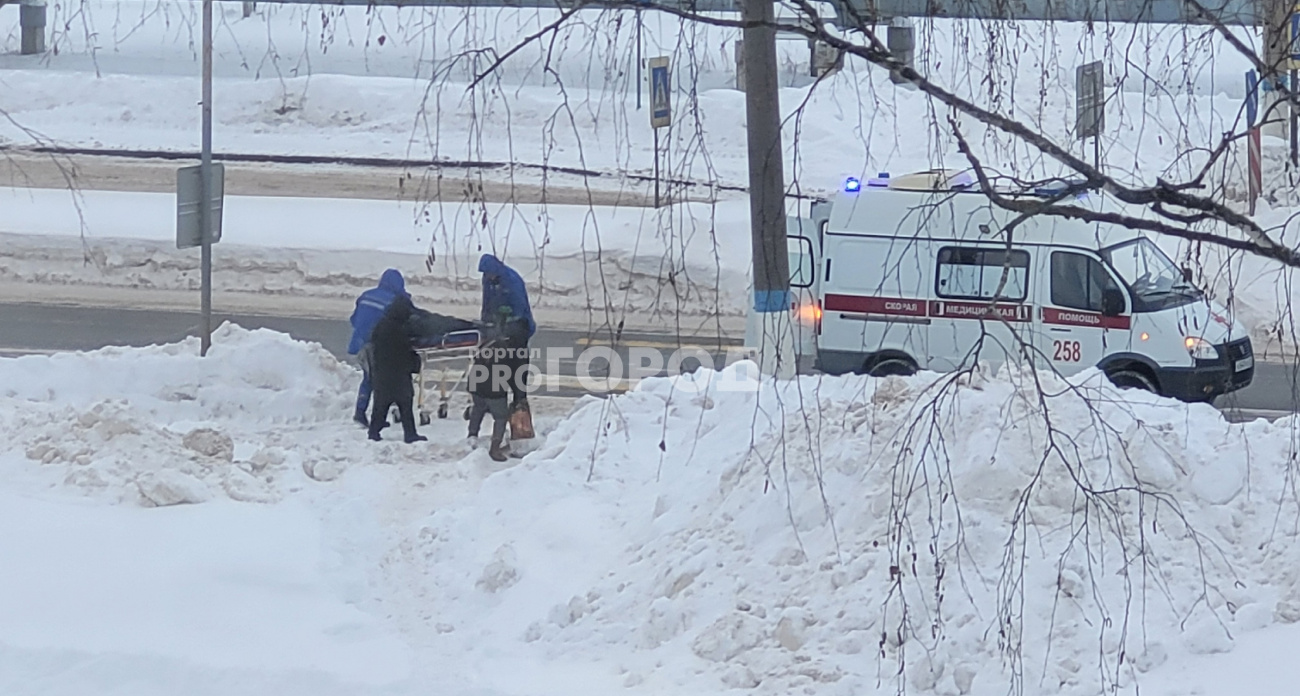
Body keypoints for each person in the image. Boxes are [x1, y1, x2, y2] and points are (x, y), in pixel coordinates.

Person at [348, 269, 410, 427]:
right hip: (378, 345)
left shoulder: (366, 296)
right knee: (379, 379)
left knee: (370, 377)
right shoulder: (395, 300)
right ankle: (363, 414)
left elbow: (354, 319)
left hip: (360, 344)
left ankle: (369, 414)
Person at [366, 296, 427, 444]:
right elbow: (406, 353)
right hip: (399, 376)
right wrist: (416, 363)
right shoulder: (402, 329)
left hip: (382, 374)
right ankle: (410, 434)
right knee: (406, 406)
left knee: (380, 406)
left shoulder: (380, 325)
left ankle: (374, 432)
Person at [478, 254, 535, 408]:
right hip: (498, 325)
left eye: (489, 273)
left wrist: (506, 322)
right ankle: (495, 399)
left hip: (518, 325)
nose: (487, 276)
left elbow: (519, 308)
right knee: (496, 363)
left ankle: (519, 400)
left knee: (517, 364)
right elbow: (487, 302)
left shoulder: (512, 280)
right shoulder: (488, 280)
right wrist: (486, 323)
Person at [466, 319, 515, 462]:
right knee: (500, 417)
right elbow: (511, 372)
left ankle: (472, 436)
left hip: (476, 384)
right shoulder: (506, 348)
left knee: (478, 408)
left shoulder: (483, 344)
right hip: (494, 389)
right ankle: (495, 448)